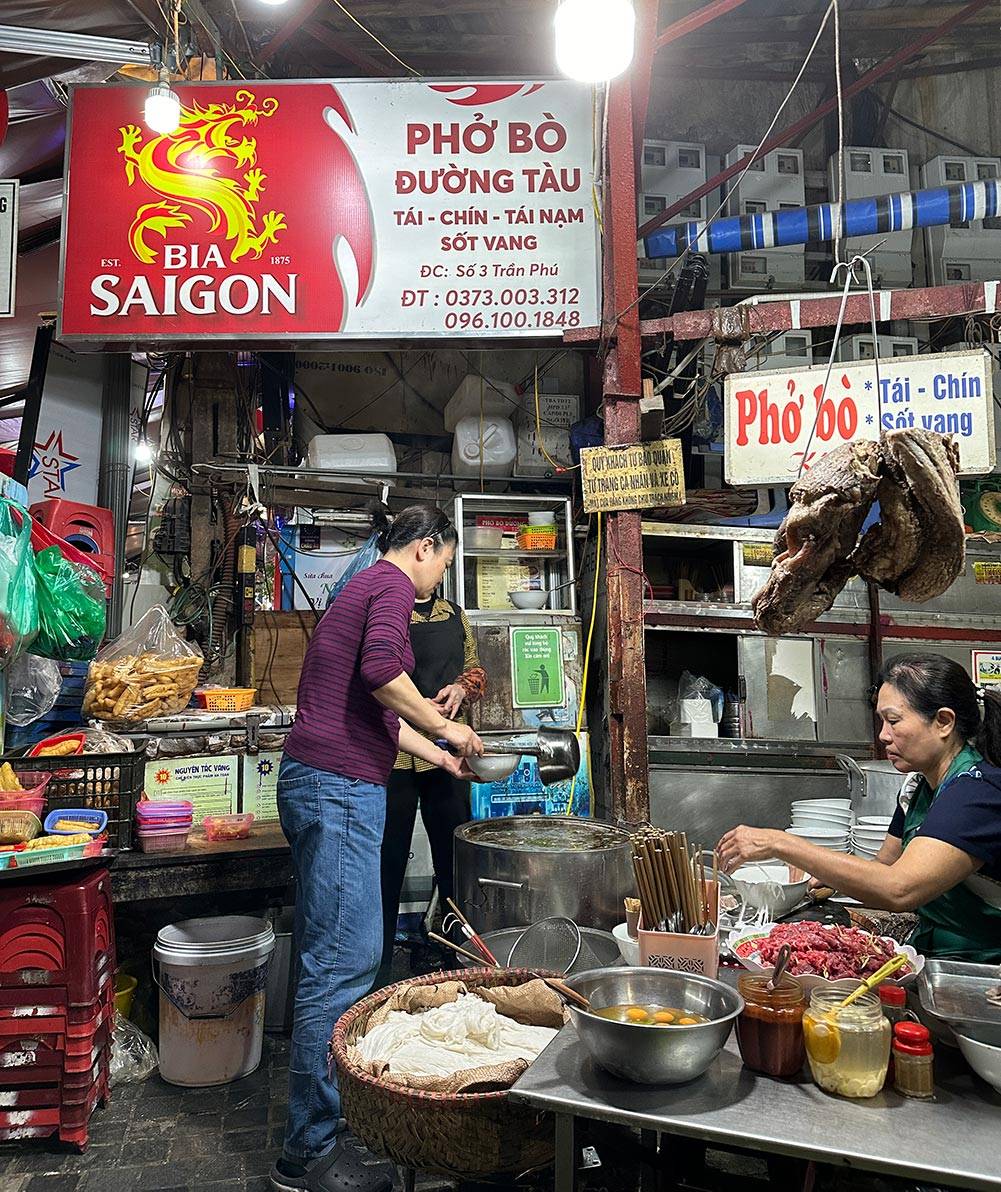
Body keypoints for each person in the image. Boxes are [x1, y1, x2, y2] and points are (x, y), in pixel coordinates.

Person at [271, 505, 484, 1192]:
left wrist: (437, 755)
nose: (437, 579)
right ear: (425, 547)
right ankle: (308, 1153)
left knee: (339, 958)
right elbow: (385, 676)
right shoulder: (390, 583)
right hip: (335, 788)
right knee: (341, 964)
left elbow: (379, 714)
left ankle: (322, 1130)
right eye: (444, 562)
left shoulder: (356, 588)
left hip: (330, 780)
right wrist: (451, 734)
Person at [718, 653, 1001, 962]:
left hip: (982, 969)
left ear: (943, 722)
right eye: (882, 721)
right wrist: (829, 872)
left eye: (894, 721)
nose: (883, 735)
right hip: (935, 957)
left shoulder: (976, 792)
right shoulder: (917, 789)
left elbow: (899, 888)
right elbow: (884, 869)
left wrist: (780, 843)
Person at [377, 591, 486, 986]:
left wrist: (461, 687)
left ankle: (461, 960)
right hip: (393, 755)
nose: (440, 571)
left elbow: (476, 671)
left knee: (455, 861)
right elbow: (378, 677)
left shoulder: (455, 614)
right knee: (385, 864)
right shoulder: (388, 611)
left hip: (447, 756)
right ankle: (380, 969)